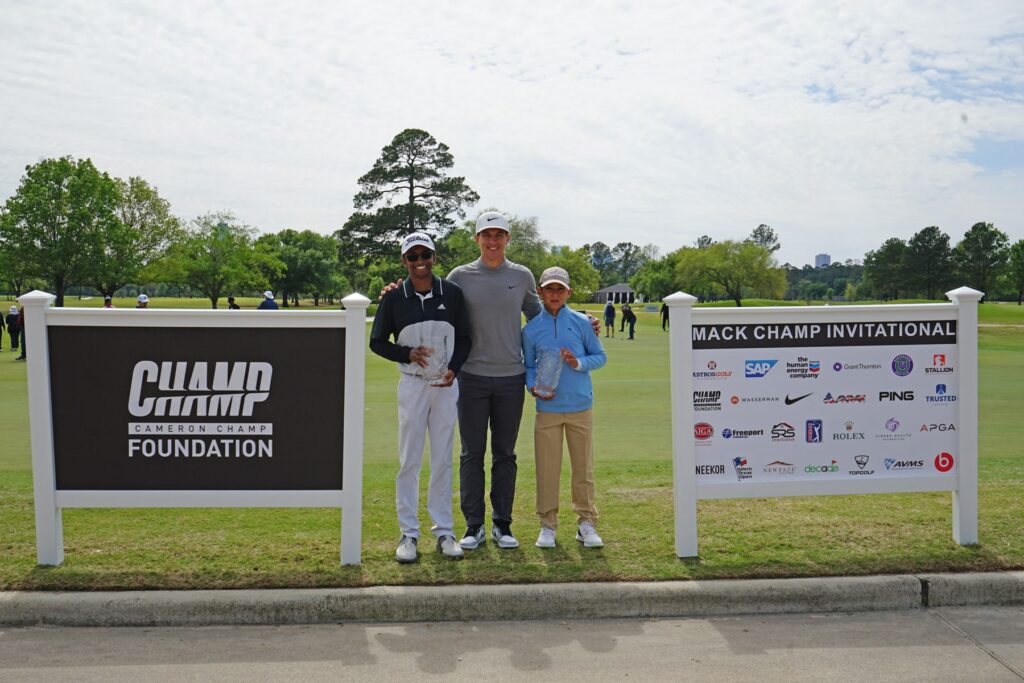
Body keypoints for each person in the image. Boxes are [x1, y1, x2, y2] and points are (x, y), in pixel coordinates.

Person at [370, 232, 472, 563]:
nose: (420, 262)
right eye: (413, 257)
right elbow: (377, 341)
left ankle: (444, 530)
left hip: (445, 385)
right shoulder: (394, 298)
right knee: (409, 459)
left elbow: (467, 337)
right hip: (412, 384)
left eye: (425, 255)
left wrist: (454, 370)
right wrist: (407, 353)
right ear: (404, 261)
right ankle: (408, 534)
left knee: (442, 457)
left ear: (434, 257)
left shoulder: (453, 293)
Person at [445, 211, 543, 550]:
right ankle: (474, 526)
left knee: (505, 453)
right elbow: (440, 312)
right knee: (472, 453)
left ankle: (503, 523)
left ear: (507, 239)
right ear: (476, 239)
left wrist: (577, 323)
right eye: (486, 235)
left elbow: (538, 314)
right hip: (470, 376)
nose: (492, 240)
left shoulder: (521, 275)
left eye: (498, 234)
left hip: (510, 378)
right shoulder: (460, 275)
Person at [523, 267, 607, 549]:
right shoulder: (532, 329)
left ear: (568, 292)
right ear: (540, 292)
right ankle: (547, 525)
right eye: (550, 289)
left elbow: (600, 356)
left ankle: (586, 523)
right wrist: (532, 385)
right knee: (547, 468)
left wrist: (578, 363)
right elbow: (529, 366)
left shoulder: (582, 323)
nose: (555, 294)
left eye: (560, 289)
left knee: (583, 468)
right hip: (547, 408)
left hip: (580, 405)